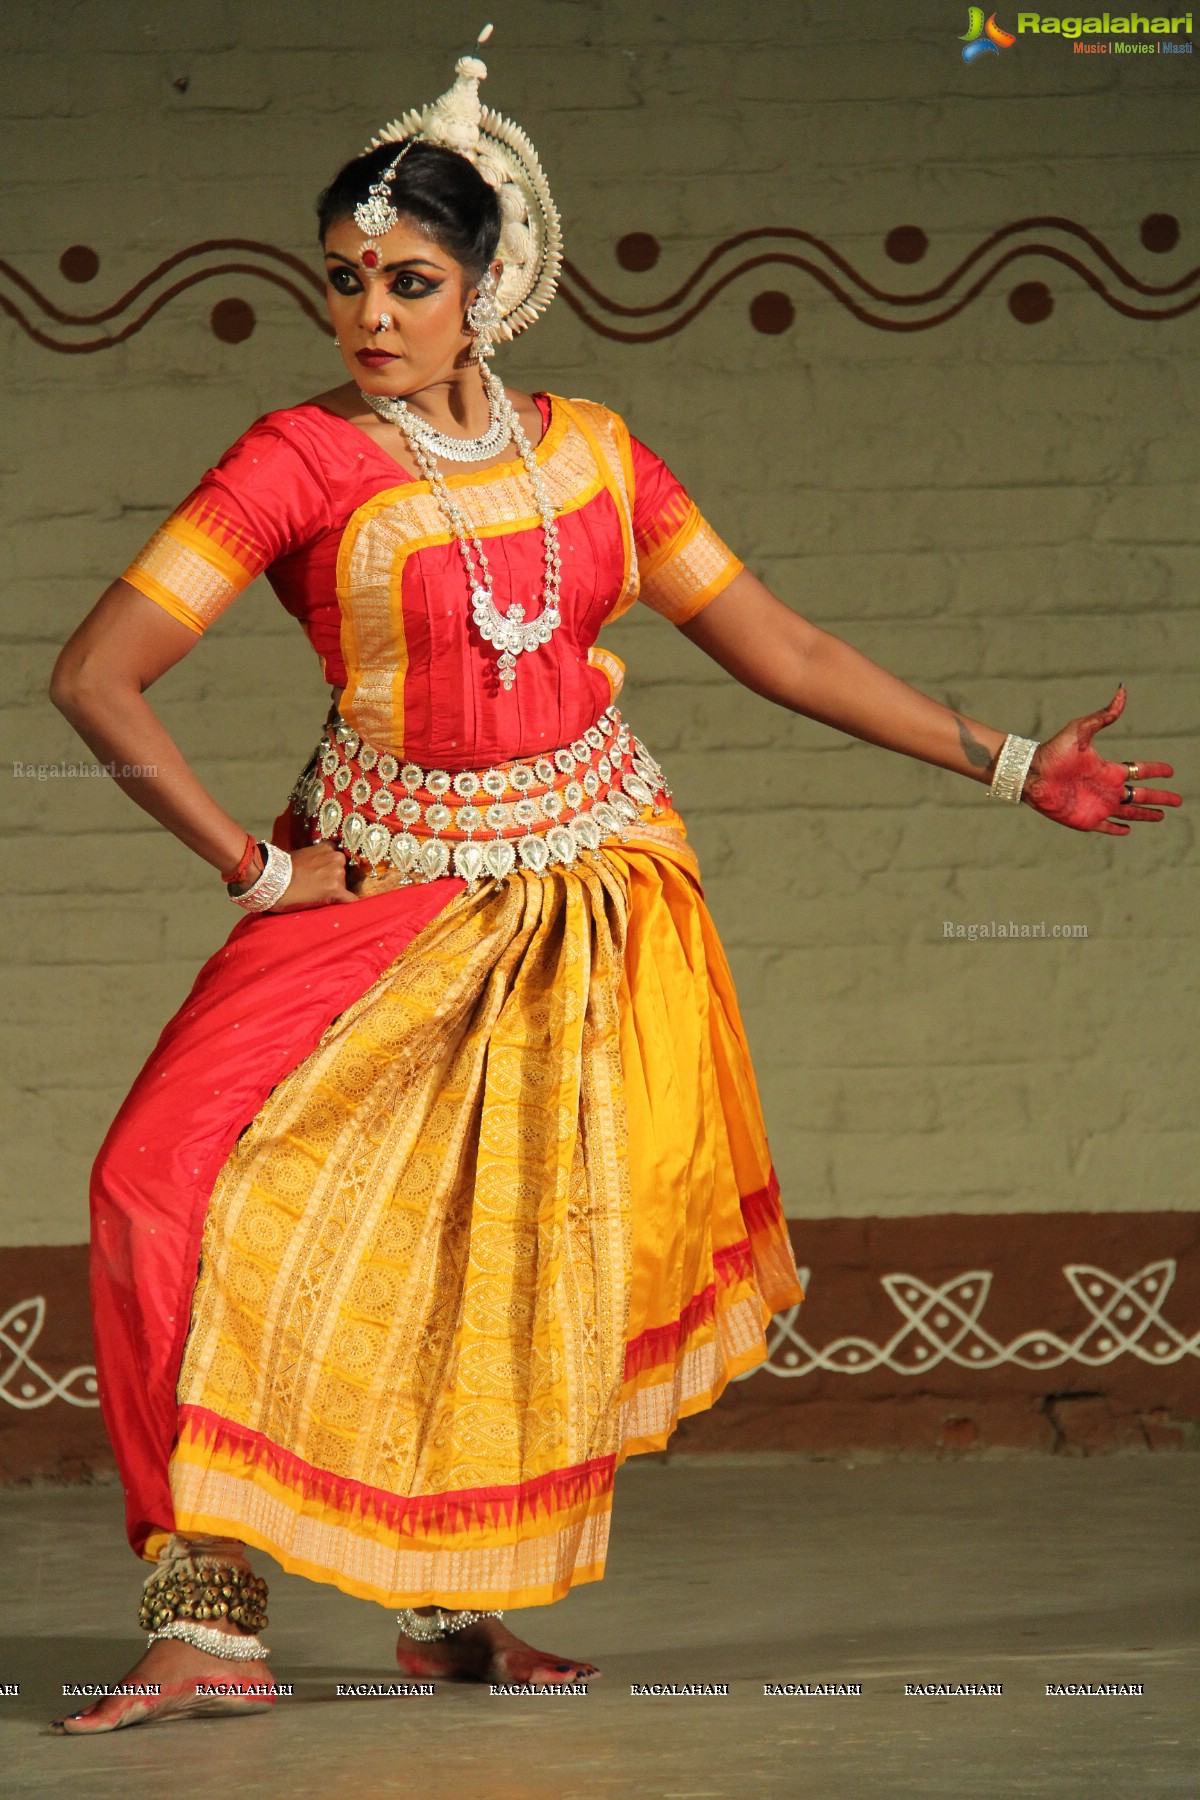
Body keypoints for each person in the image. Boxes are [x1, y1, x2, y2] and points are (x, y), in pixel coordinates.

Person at [47, 40, 1178, 1735]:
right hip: (377, 876)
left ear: (493, 285)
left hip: (586, 893)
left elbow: (779, 644)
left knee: (492, 1254)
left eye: (411, 281)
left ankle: (454, 1610)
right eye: (346, 279)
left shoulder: (595, 458)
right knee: (153, 1187)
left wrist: (1010, 763)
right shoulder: (294, 462)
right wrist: (255, 866)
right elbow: (96, 677)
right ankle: (207, 1624)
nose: (370, 313)